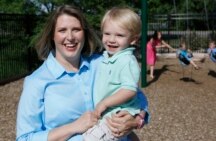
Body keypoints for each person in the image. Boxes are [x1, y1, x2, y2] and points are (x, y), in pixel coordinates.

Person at [16, 5, 149, 141]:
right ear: (52, 35)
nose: (70, 37)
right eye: (62, 30)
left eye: (76, 30)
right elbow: (24, 138)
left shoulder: (102, 63)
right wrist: (73, 127)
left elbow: (135, 93)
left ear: (84, 33)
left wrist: (138, 119)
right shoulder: (36, 81)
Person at [82, 7, 144, 141]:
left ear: (133, 39)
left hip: (115, 116)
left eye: (119, 35)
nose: (111, 39)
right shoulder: (108, 58)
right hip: (107, 116)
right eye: (107, 33)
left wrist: (104, 103)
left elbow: (130, 90)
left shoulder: (126, 60)